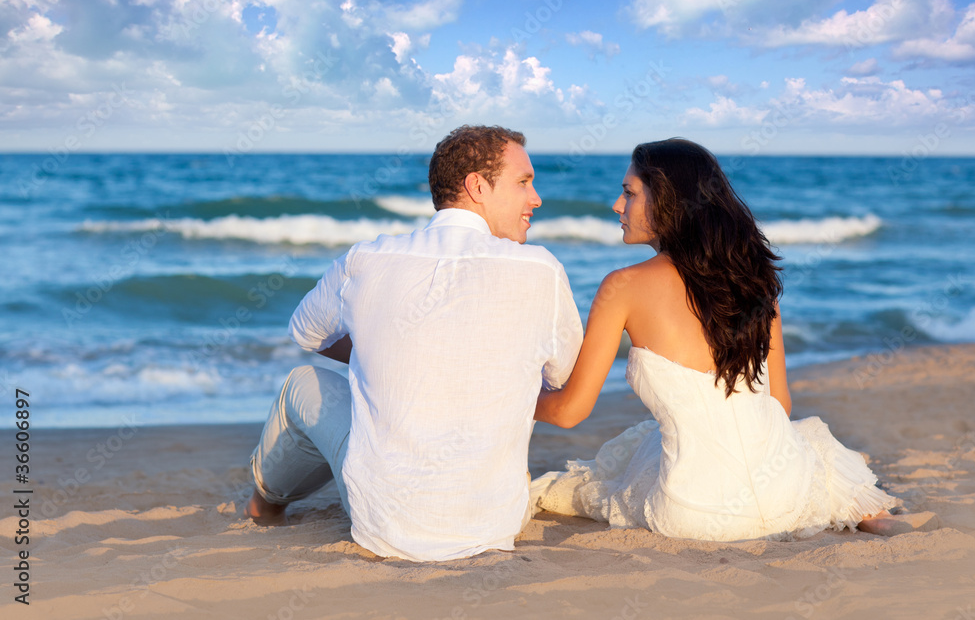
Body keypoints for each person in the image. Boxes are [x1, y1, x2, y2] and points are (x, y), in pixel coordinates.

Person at [531, 138, 913, 541]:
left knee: (625, 462)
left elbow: (569, 412)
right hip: (785, 493)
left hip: (691, 511)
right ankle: (872, 514)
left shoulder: (622, 286)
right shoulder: (755, 280)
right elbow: (778, 405)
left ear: (667, 199)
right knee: (811, 442)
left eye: (629, 192)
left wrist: (508, 392)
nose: (616, 205)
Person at [245, 125, 583, 561]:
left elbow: (306, 332)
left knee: (303, 383)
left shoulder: (366, 259)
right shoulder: (541, 270)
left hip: (384, 526)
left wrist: (379, 353)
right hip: (494, 522)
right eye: (523, 182)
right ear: (477, 186)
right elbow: (560, 377)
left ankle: (264, 503)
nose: (535, 198)